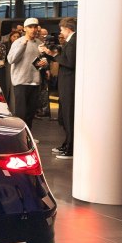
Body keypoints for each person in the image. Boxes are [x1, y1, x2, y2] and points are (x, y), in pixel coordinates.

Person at [7, 18, 46, 129]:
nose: (33, 29)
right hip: (20, 82)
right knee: (21, 113)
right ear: (24, 29)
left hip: (34, 81)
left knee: (30, 113)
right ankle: (20, 137)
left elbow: (41, 60)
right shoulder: (18, 42)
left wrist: (44, 63)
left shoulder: (39, 43)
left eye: (35, 27)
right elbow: (11, 60)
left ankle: (28, 138)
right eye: (30, 27)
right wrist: (23, 45)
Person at [50, 18, 76, 158]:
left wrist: (53, 55)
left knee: (68, 116)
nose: (60, 32)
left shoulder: (73, 42)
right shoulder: (71, 41)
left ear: (67, 28)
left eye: (61, 29)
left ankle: (70, 148)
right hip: (66, 84)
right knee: (65, 115)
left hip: (69, 84)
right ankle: (67, 144)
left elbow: (70, 63)